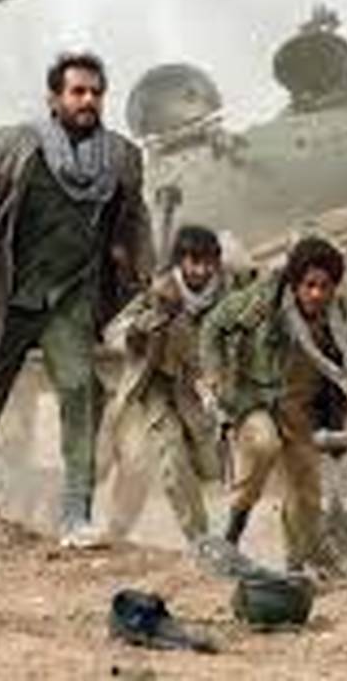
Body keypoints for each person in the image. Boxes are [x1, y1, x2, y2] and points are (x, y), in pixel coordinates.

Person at [0, 52, 153, 546]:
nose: (88, 100)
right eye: (77, 91)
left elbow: (135, 222)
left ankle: (75, 515)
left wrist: (143, 276)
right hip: (8, 294)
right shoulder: (14, 145)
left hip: (71, 297)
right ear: (54, 98)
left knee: (80, 390)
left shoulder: (121, 157)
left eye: (96, 92)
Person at [198, 235, 347, 571]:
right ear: (295, 282)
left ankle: (295, 566)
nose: (316, 294)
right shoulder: (263, 301)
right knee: (263, 445)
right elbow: (213, 326)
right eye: (309, 285)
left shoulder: (343, 316)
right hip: (256, 396)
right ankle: (232, 535)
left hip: (301, 407)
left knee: (306, 491)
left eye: (325, 286)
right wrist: (214, 373)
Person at [97, 225, 236, 546]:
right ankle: (200, 540)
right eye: (194, 261)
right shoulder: (160, 293)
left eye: (208, 262)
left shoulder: (226, 298)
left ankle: (209, 536)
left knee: (210, 467)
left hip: (196, 392)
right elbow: (115, 332)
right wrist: (142, 327)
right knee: (163, 456)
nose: (201, 270)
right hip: (151, 385)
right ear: (180, 261)